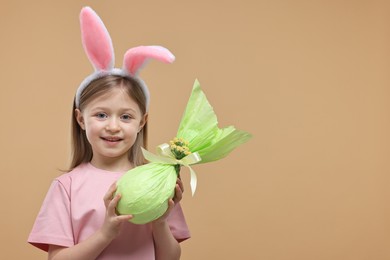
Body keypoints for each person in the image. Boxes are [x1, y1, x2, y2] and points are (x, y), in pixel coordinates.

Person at [28, 7, 190, 260]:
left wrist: (160, 222)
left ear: (141, 123)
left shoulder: (156, 182)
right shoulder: (66, 187)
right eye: (101, 115)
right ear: (81, 119)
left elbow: (170, 258)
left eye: (126, 117)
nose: (113, 126)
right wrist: (106, 233)